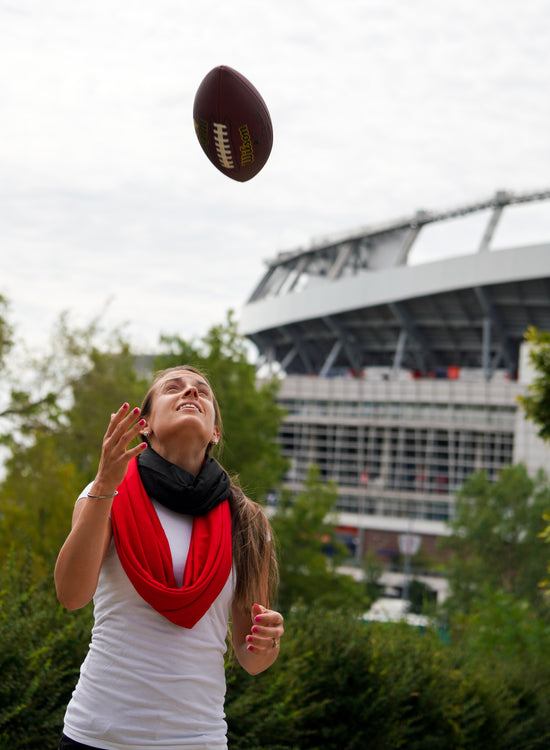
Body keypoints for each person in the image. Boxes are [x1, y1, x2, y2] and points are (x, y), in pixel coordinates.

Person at [55, 365, 284, 750]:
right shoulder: (103, 494)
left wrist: (268, 641)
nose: (190, 393)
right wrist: (105, 485)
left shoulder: (246, 522)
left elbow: (251, 658)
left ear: (215, 432)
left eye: (202, 392)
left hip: (197, 738)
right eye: (173, 388)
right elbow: (71, 595)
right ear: (144, 425)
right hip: (98, 735)